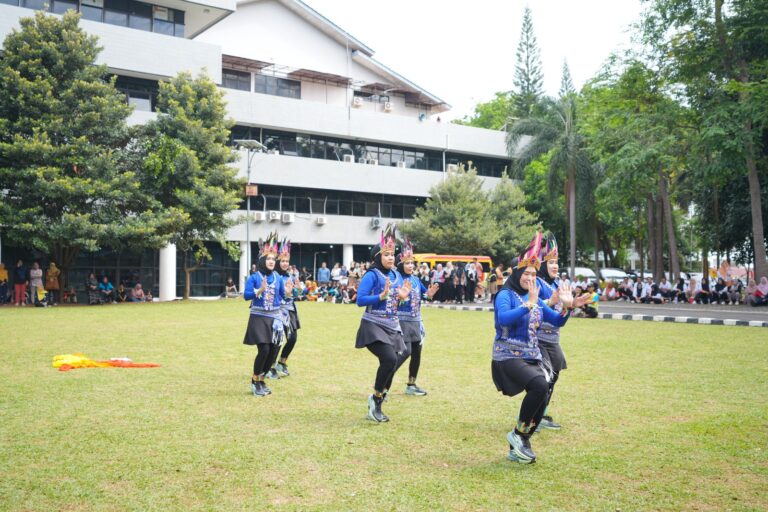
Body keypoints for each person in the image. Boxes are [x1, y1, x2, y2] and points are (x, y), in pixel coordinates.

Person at [492, 232, 574, 464]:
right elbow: (503, 320)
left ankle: (521, 439)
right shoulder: (505, 295)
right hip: (506, 355)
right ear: (517, 273)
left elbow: (556, 321)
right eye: (526, 273)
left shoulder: (535, 297)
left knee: (544, 386)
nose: (530, 277)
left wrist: (567, 308)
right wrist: (527, 305)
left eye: (533, 274)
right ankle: (518, 435)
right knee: (539, 384)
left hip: (530, 355)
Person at [355, 224, 412, 422]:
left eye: (392, 254)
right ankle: (376, 399)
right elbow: (360, 300)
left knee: (395, 360)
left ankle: (378, 399)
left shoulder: (396, 276)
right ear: (378, 256)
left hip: (392, 326)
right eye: (386, 254)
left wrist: (402, 297)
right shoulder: (372, 275)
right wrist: (380, 295)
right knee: (389, 359)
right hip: (372, 325)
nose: (390, 257)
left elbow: (395, 301)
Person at [534, 233, 590, 431]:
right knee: (543, 378)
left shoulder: (559, 283)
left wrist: (573, 304)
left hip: (554, 339)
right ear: (541, 264)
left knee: (554, 376)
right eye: (550, 262)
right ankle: (532, 415)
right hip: (538, 339)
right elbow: (536, 307)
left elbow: (563, 312)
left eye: (557, 262)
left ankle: (541, 412)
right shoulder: (536, 284)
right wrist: (553, 301)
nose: (555, 266)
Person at [394, 237, 439, 396]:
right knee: (405, 352)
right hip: (401, 321)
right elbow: (394, 298)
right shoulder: (397, 279)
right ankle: (384, 381)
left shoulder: (415, 279)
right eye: (407, 263)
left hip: (416, 321)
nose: (410, 266)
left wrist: (429, 295)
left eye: (412, 263)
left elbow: (424, 295)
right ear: (400, 264)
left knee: (417, 351)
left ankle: (411, 385)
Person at [242, 232, 286, 397]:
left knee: (274, 349)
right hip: (258, 318)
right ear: (262, 260)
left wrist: (290, 292)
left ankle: (261, 379)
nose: (271, 262)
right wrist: (258, 291)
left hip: (274, 318)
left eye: (273, 260)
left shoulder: (278, 278)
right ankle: (255, 380)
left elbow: (282, 295)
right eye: (268, 259)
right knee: (264, 349)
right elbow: (246, 295)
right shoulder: (254, 277)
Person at [270, 238, 300, 378]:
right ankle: (270, 367)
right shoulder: (273, 276)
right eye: (282, 261)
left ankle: (282, 362)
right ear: (277, 262)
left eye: (287, 261)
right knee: (277, 340)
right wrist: (285, 293)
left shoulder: (291, 276)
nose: (285, 263)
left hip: (290, 310)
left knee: (293, 338)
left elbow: (294, 294)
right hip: (277, 311)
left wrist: (298, 290)